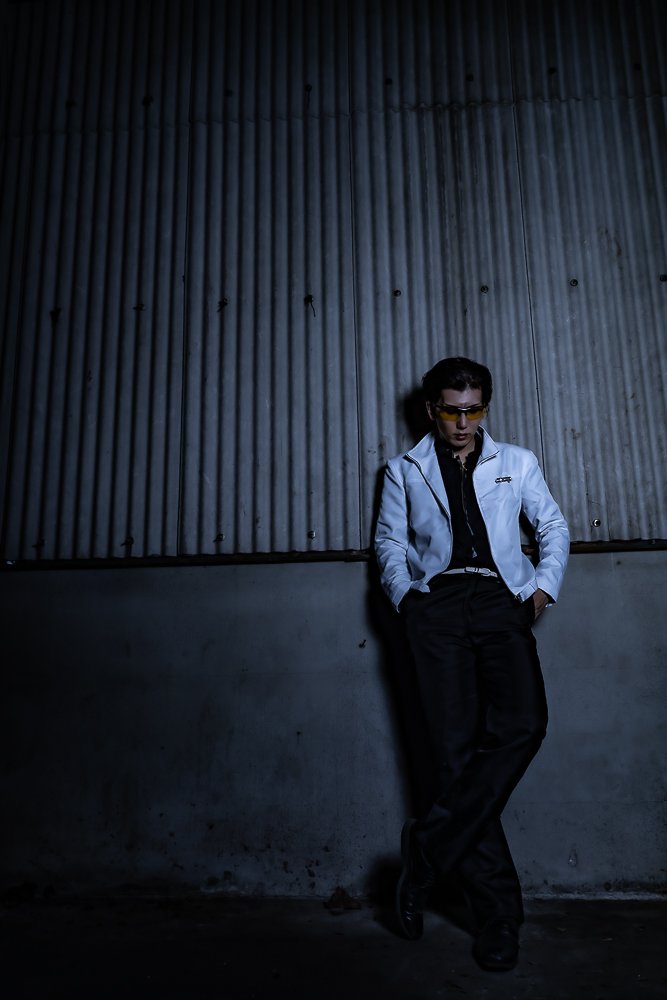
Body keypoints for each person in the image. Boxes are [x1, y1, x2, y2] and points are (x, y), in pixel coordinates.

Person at [374, 356, 569, 972]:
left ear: (484, 407)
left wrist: (542, 590)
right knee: (455, 757)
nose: (463, 423)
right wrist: (408, 600)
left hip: (498, 600)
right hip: (436, 607)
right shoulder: (403, 469)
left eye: (474, 410)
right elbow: (390, 542)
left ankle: (427, 849)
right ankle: (498, 918)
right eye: (452, 411)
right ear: (431, 409)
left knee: (524, 725)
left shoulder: (517, 461)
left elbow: (552, 524)